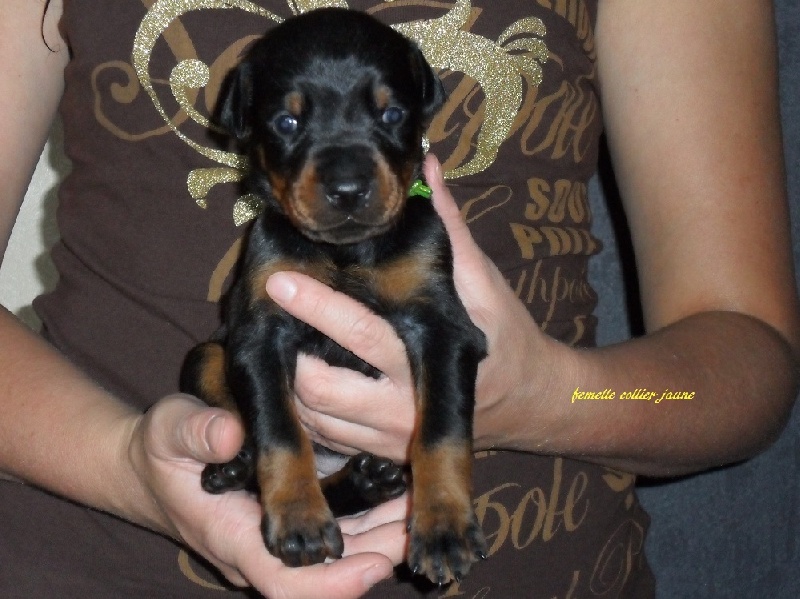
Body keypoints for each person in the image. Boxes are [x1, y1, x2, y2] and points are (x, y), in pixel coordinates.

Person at [1, 0, 798, 597]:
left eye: (386, 117)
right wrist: (127, 465)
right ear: (246, 127)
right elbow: (249, 353)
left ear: (418, 109)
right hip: (97, 562)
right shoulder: (275, 239)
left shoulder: (414, 238)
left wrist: (554, 397)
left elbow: (750, 369)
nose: (347, 176)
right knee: (217, 363)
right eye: (290, 126)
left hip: (545, 567)